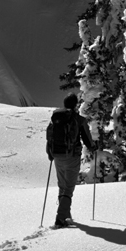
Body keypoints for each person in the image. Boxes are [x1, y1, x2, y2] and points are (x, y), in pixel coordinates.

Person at [45, 93, 96, 228]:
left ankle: (65, 215)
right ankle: (61, 218)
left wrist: (50, 153)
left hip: (57, 156)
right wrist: (93, 147)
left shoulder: (56, 119)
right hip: (72, 156)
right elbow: (88, 140)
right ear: (75, 105)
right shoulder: (79, 120)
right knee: (68, 188)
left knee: (62, 186)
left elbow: (49, 136)